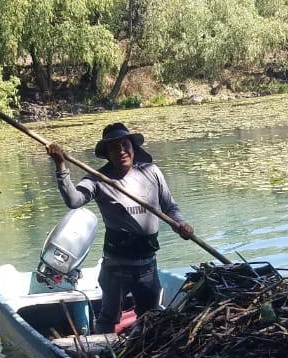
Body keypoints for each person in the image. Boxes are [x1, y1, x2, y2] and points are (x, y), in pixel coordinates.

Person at [47, 122, 193, 333]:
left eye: (125, 145)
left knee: (151, 316)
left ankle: (145, 355)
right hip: (117, 267)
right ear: (107, 153)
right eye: (114, 148)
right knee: (108, 317)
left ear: (133, 148)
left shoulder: (151, 172)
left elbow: (169, 206)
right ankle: (102, 356)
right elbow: (74, 200)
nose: (121, 151)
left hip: (148, 264)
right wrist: (61, 165)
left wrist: (181, 224)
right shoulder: (98, 179)